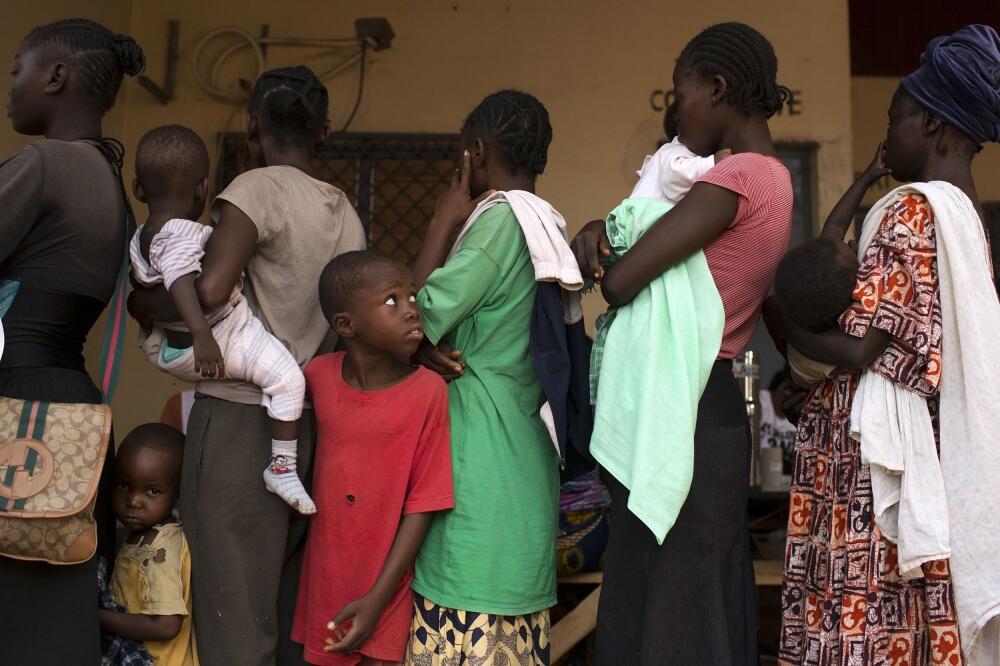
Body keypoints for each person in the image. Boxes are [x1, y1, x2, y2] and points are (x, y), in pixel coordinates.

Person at [768, 25, 1000, 665]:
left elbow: (864, 344)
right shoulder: (967, 220)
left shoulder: (908, 211)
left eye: (895, 116)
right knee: (903, 625)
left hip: (863, 468)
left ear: (929, 124)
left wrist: (788, 327)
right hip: (915, 448)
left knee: (855, 617)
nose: (888, 131)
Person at [128, 65, 366, 665]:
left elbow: (208, 291)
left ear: (253, 124)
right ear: (326, 133)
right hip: (303, 428)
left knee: (231, 618)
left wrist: (136, 300)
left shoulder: (254, 188)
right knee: (281, 614)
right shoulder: (346, 213)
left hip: (238, 423)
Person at [572, 22, 793, 664]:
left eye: (682, 93)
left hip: (687, 406)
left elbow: (620, 280)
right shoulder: (765, 179)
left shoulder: (740, 178)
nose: (676, 112)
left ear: (718, 88)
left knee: (671, 606)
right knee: (688, 594)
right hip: (703, 403)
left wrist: (607, 233)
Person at [0, 18, 144, 665]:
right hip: (71, 417)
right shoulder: (111, 183)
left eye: (17, 70)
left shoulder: (44, 163)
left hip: (14, 404)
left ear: (55, 75)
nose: (12, 85)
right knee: (51, 622)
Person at [406, 90, 562, 665]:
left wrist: (442, 220)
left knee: (465, 609)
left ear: (472, 153)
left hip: (481, 456)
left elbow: (409, 316)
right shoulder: (546, 222)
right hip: (522, 455)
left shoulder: (496, 223)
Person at [130, 124, 313, 515]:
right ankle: (282, 466)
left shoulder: (140, 236)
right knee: (288, 380)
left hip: (168, 346)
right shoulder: (178, 231)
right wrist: (202, 333)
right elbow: (183, 281)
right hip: (219, 338)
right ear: (201, 189)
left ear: (139, 189)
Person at [291, 250, 454, 665]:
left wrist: (378, 599)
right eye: (391, 301)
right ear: (346, 325)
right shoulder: (317, 378)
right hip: (325, 586)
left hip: (388, 590)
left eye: (412, 297)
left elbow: (424, 504)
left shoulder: (428, 390)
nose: (411, 311)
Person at [101, 424, 197, 665]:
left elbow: (165, 626)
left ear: (177, 494)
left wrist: (96, 618)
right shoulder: (144, 534)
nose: (133, 501)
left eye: (152, 491)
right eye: (123, 485)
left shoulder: (160, 550)